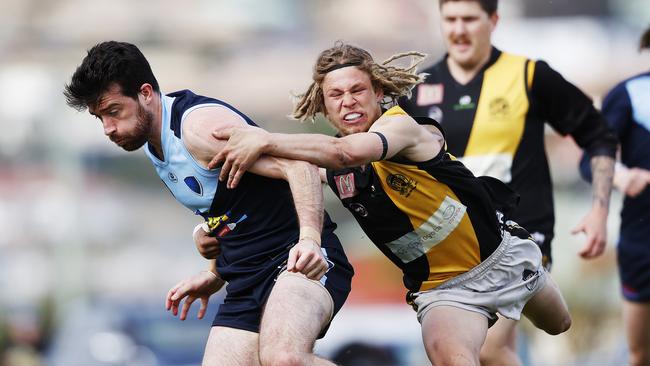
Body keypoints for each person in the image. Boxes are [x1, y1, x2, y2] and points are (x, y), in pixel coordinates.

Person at [206, 42, 572, 366]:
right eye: (336, 95)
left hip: (502, 256)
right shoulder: (335, 168)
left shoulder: (402, 129)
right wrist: (207, 232)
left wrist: (264, 139)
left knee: (559, 325)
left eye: (357, 90)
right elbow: (286, 180)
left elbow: (345, 152)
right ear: (324, 104)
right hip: (444, 290)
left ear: (377, 91)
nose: (348, 101)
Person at [63, 41, 354, 366]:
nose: (108, 128)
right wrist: (214, 271)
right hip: (245, 277)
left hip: (295, 262)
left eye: (114, 112)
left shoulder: (198, 129)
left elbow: (300, 167)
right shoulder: (151, 142)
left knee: (285, 359)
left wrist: (310, 241)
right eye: (99, 117)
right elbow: (229, 207)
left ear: (145, 93)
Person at [397, 1, 618, 364]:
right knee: (481, 352)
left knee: (491, 346)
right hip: (455, 245)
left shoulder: (530, 76)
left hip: (521, 232)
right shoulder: (420, 90)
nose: (459, 29)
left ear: (493, 20)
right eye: (450, 20)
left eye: (469, 19)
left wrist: (598, 210)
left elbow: (599, 135)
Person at [580, 27, 650, 366]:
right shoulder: (630, 95)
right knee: (641, 353)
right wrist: (622, 176)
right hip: (643, 242)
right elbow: (590, 158)